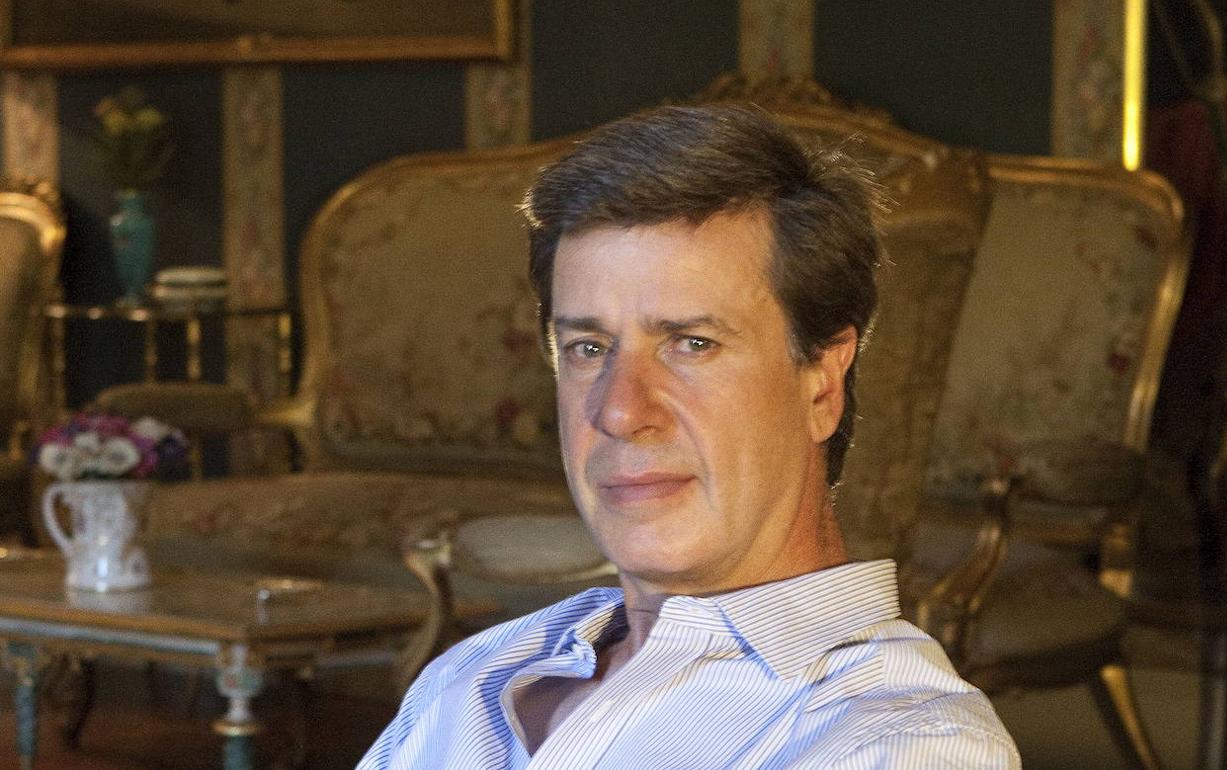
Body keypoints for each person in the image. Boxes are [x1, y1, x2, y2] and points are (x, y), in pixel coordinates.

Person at [358, 104, 1020, 769]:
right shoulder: (473, 674)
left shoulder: (906, 742)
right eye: (589, 348)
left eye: (692, 343)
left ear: (821, 384)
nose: (619, 411)